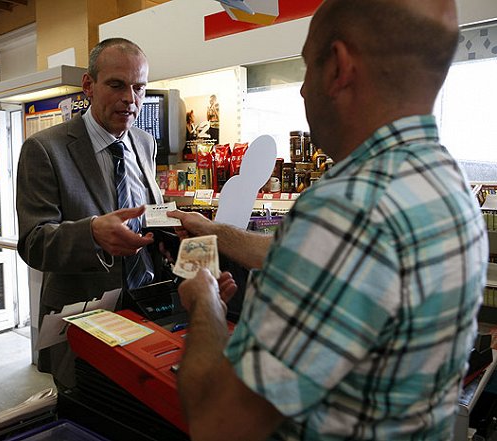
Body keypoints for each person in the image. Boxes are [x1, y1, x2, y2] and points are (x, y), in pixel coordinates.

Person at [167, 0, 488, 439]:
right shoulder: (448, 183)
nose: (301, 90)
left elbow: (219, 422)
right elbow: (335, 265)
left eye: (305, 68)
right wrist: (215, 232)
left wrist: (204, 299)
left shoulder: (347, 207)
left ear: (338, 66)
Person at [16, 38, 163, 388]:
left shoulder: (144, 142)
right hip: (82, 323)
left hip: (146, 312)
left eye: (139, 88)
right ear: (88, 86)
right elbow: (34, 243)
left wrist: (172, 228)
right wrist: (93, 233)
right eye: (116, 85)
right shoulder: (44, 149)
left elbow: (148, 212)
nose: (130, 98)